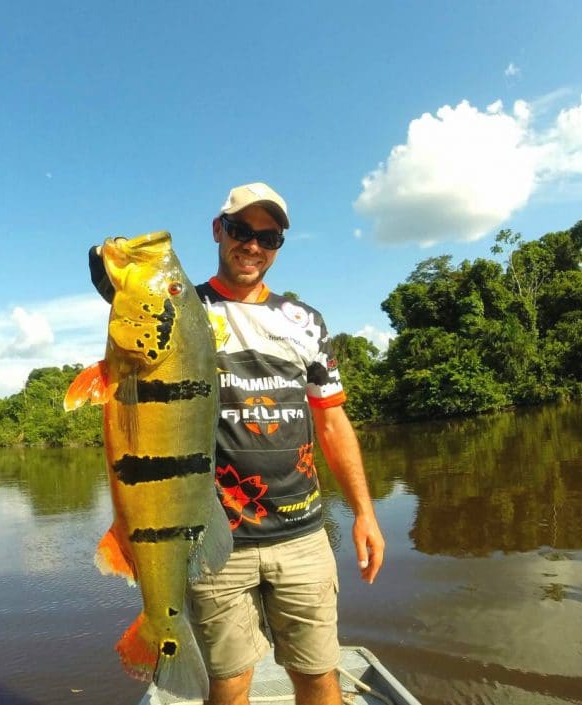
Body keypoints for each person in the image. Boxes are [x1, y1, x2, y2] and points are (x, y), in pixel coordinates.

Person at [89, 182, 385, 705]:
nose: (252, 245)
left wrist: (364, 511)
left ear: (278, 246)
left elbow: (333, 421)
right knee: (229, 682)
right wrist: (107, 268)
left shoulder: (305, 321)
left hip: (303, 535)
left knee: (319, 674)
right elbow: (132, 324)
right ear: (218, 231)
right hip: (213, 543)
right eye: (240, 231)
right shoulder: (184, 308)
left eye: (268, 237)